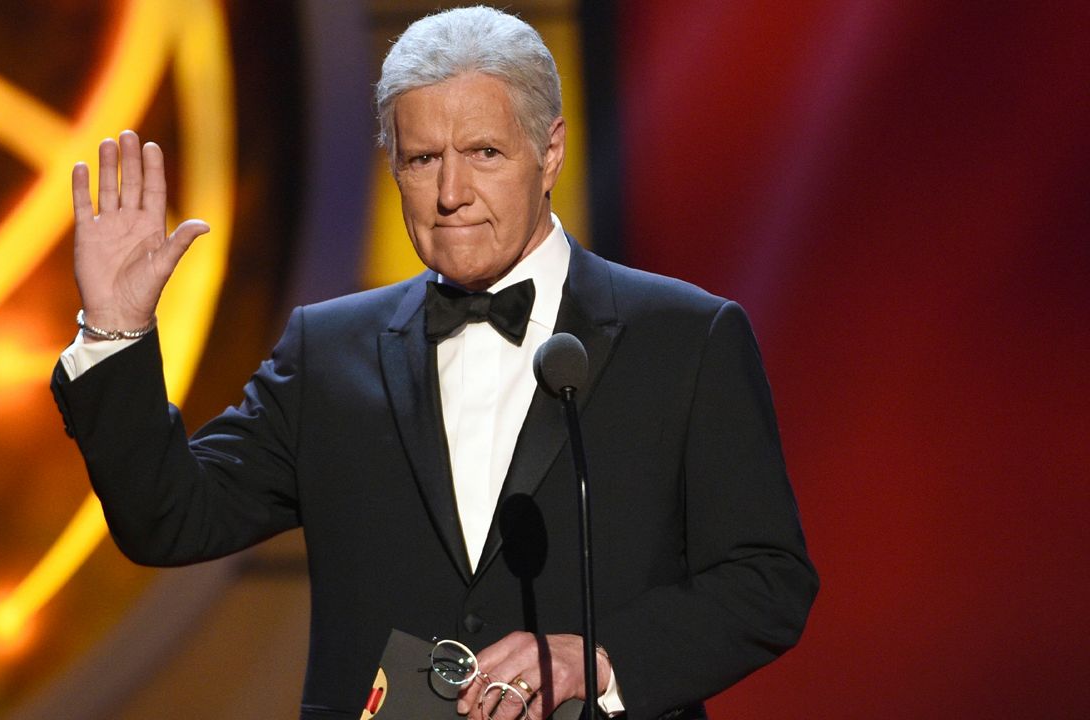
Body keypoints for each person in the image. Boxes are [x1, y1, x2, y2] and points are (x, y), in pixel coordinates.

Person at [51, 6, 817, 719]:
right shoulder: (329, 352)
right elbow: (168, 521)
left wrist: (601, 662)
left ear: (549, 151)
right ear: (393, 168)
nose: (452, 193)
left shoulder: (686, 338)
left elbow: (767, 582)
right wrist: (116, 332)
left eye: (484, 153)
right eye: (422, 159)